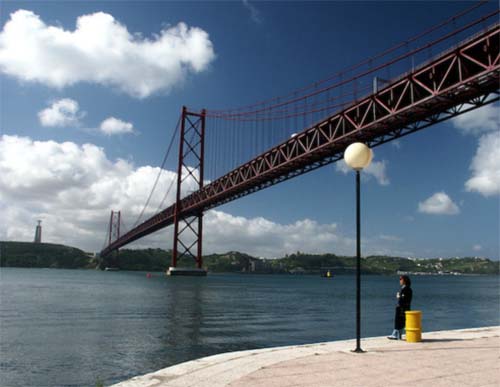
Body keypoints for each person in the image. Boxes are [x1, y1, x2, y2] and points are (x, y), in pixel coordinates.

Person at [388, 275, 412, 340]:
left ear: (404, 280)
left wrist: (399, 297)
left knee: (399, 321)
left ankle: (395, 334)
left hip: (402, 308)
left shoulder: (406, 289)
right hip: (403, 307)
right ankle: (398, 335)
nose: (400, 281)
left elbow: (404, 299)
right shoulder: (405, 288)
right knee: (400, 321)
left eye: (401, 279)